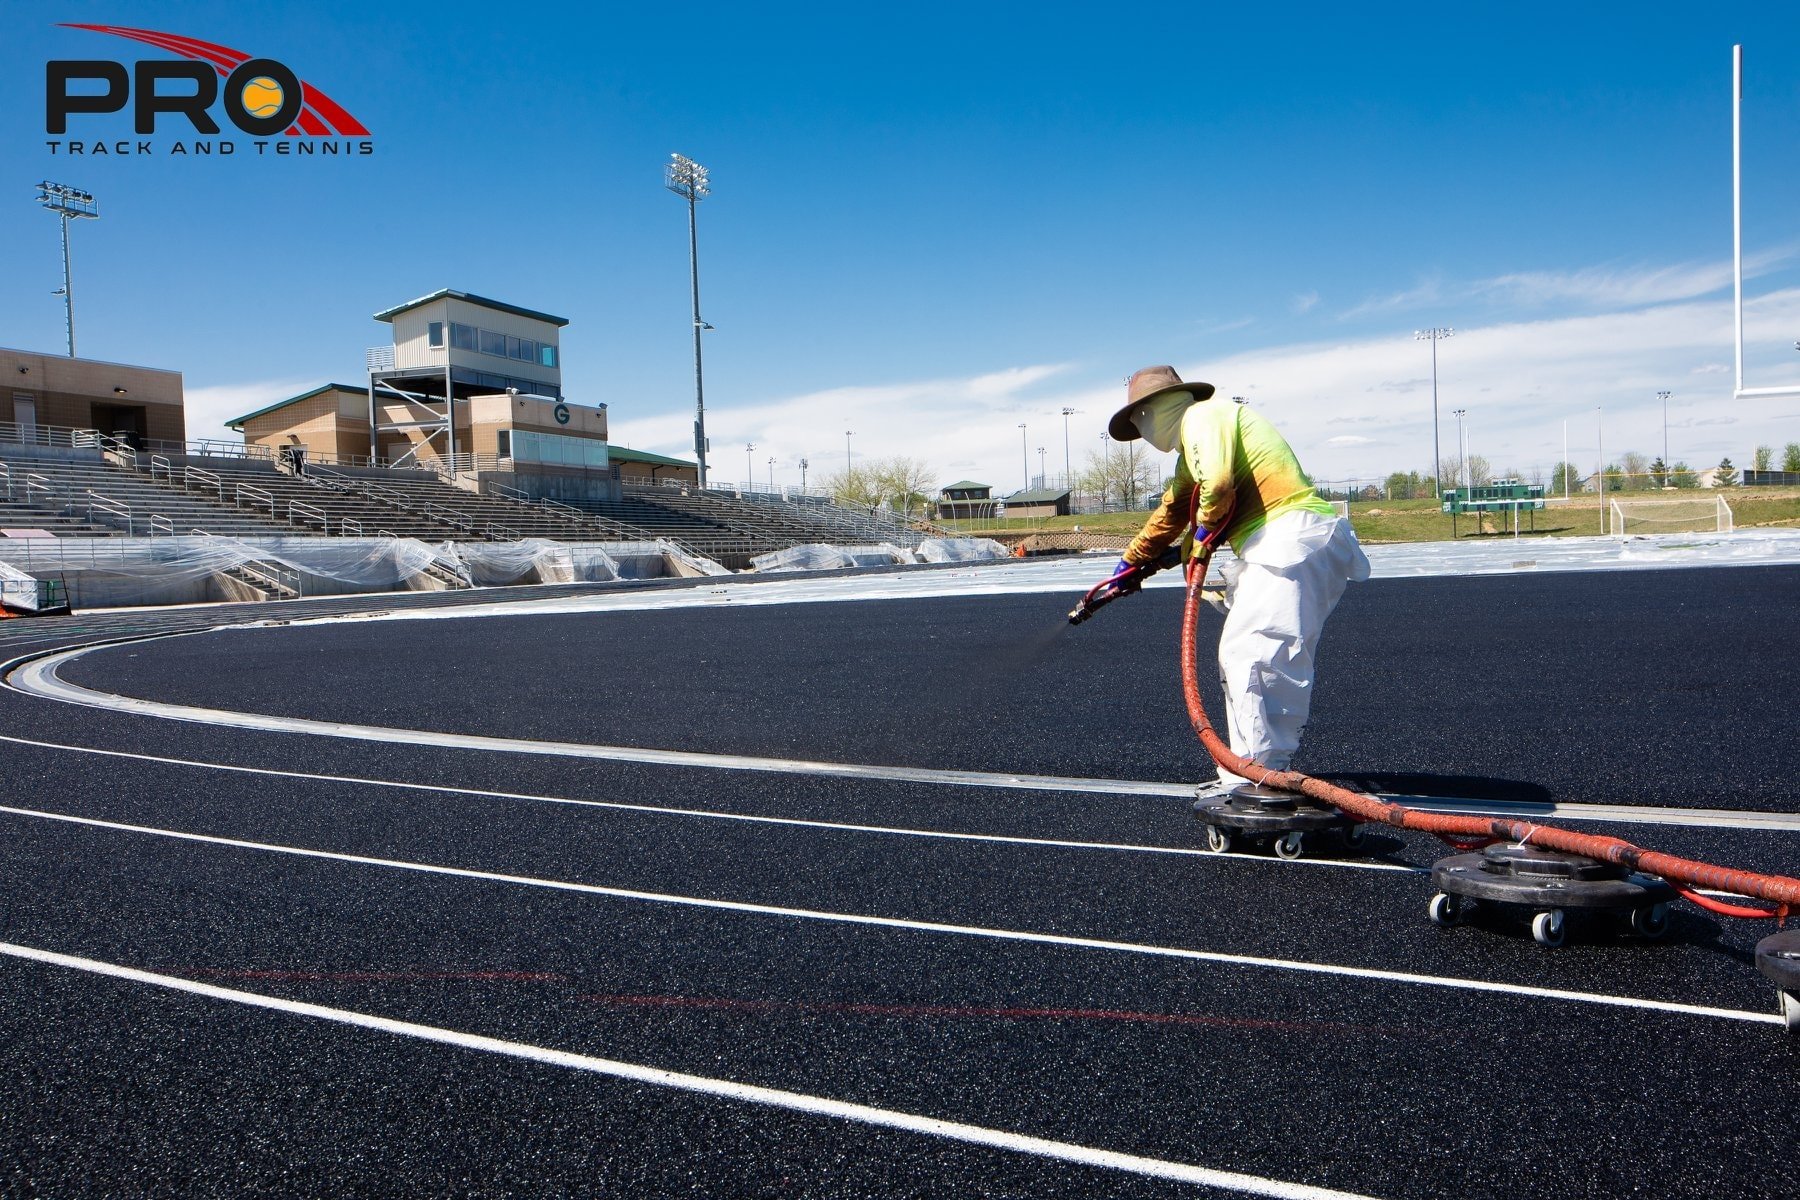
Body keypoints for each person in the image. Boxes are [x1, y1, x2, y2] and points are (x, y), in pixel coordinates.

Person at [1105, 365, 1369, 796]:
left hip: (1291, 539)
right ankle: (1253, 771)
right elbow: (1173, 511)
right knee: (1256, 655)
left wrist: (1203, 536)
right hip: (1286, 544)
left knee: (1253, 654)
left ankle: (1257, 776)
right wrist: (1131, 563)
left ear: (1150, 412)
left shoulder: (1205, 418)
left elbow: (1220, 485)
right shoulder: (1195, 444)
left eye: (1137, 422)